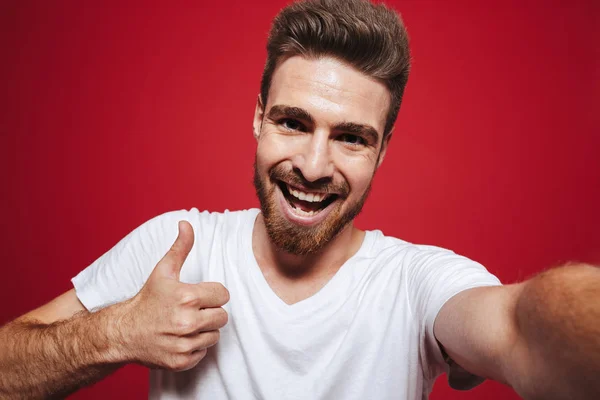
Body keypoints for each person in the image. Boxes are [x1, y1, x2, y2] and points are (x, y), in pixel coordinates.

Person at [1, 0, 598, 399]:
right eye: (292, 123)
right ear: (258, 119)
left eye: (350, 138)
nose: (313, 167)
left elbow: (521, 329)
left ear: (383, 150)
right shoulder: (178, 248)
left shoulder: (417, 283)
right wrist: (118, 331)